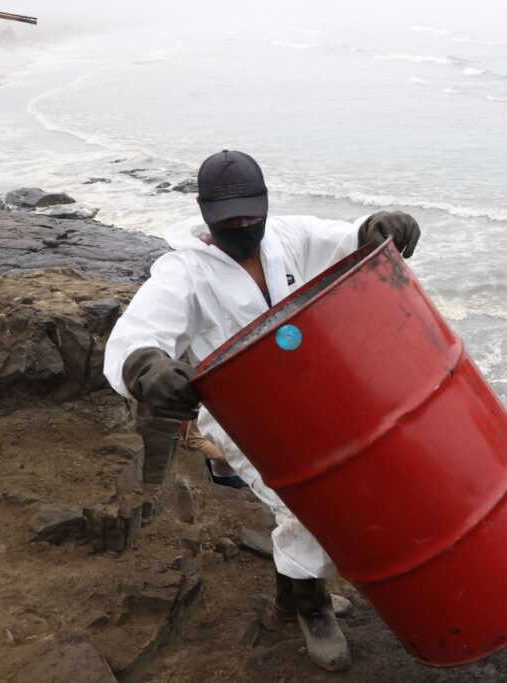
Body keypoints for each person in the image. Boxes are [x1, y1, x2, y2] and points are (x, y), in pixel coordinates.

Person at [103, 150, 421, 672]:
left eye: (253, 215)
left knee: (335, 494)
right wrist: (149, 370)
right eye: (231, 221)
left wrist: (382, 226)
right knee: (301, 505)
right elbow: (135, 338)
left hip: (310, 399)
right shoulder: (183, 271)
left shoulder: (286, 237)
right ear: (204, 212)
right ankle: (313, 609)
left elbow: (350, 241)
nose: (246, 228)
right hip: (242, 418)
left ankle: (287, 598)